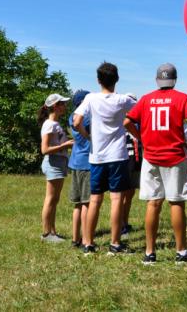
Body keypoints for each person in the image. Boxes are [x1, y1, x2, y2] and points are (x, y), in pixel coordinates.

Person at [124, 63, 187, 265]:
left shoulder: (146, 99)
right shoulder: (182, 98)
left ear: (157, 79)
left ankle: (150, 253)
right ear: (175, 79)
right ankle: (181, 252)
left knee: (153, 203)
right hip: (175, 156)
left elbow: (127, 122)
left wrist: (141, 138)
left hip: (150, 157)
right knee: (176, 202)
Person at [73, 62, 136, 255]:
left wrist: (86, 135)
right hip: (117, 156)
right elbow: (140, 110)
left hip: (97, 157)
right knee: (116, 199)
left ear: (98, 80)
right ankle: (115, 243)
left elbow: (76, 122)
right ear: (116, 79)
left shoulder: (91, 98)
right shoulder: (123, 100)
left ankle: (88, 243)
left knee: (94, 200)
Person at [39, 93, 74, 243]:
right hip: (53, 162)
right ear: (55, 106)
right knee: (50, 199)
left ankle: (52, 231)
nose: (65, 106)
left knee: (55, 199)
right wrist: (65, 145)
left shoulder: (55, 124)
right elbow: (45, 149)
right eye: (63, 104)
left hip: (58, 163)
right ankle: (46, 233)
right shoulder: (49, 125)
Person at [67, 89, 91, 248]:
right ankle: (85, 239)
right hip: (86, 164)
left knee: (77, 204)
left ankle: (75, 238)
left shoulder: (71, 117)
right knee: (86, 204)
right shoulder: (87, 118)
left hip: (74, 162)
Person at [121, 93, 141, 238]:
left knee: (130, 193)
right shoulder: (120, 120)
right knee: (123, 194)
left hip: (136, 159)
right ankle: (120, 226)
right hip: (124, 159)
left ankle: (125, 222)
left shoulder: (138, 120)